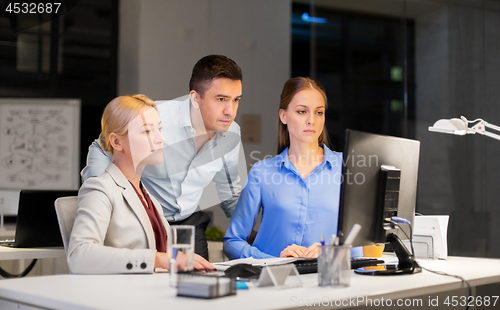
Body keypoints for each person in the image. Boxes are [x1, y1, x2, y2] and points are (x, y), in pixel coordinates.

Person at [80, 55, 243, 260]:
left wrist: (253, 235)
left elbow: (230, 192)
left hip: (188, 221)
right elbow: (103, 146)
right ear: (195, 98)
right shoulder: (155, 117)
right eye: (221, 99)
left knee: (199, 282)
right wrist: (103, 197)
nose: (230, 111)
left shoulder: (231, 134)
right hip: (145, 218)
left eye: (236, 100)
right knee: (142, 283)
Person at [68, 95, 214, 274]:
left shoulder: (147, 196)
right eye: (147, 131)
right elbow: (79, 255)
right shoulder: (100, 189)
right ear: (116, 142)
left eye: (160, 129)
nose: (160, 138)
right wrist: (159, 259)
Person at [223, 77, 342, 259]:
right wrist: (272, 261)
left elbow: (369, 245)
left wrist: (334, 252)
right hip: (274, 281)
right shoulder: (262, 173)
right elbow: (232, 241)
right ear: (283, 116)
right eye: (302, 111)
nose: (311, 120)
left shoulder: (344, 169)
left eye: (319, 112)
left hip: (326, 280)